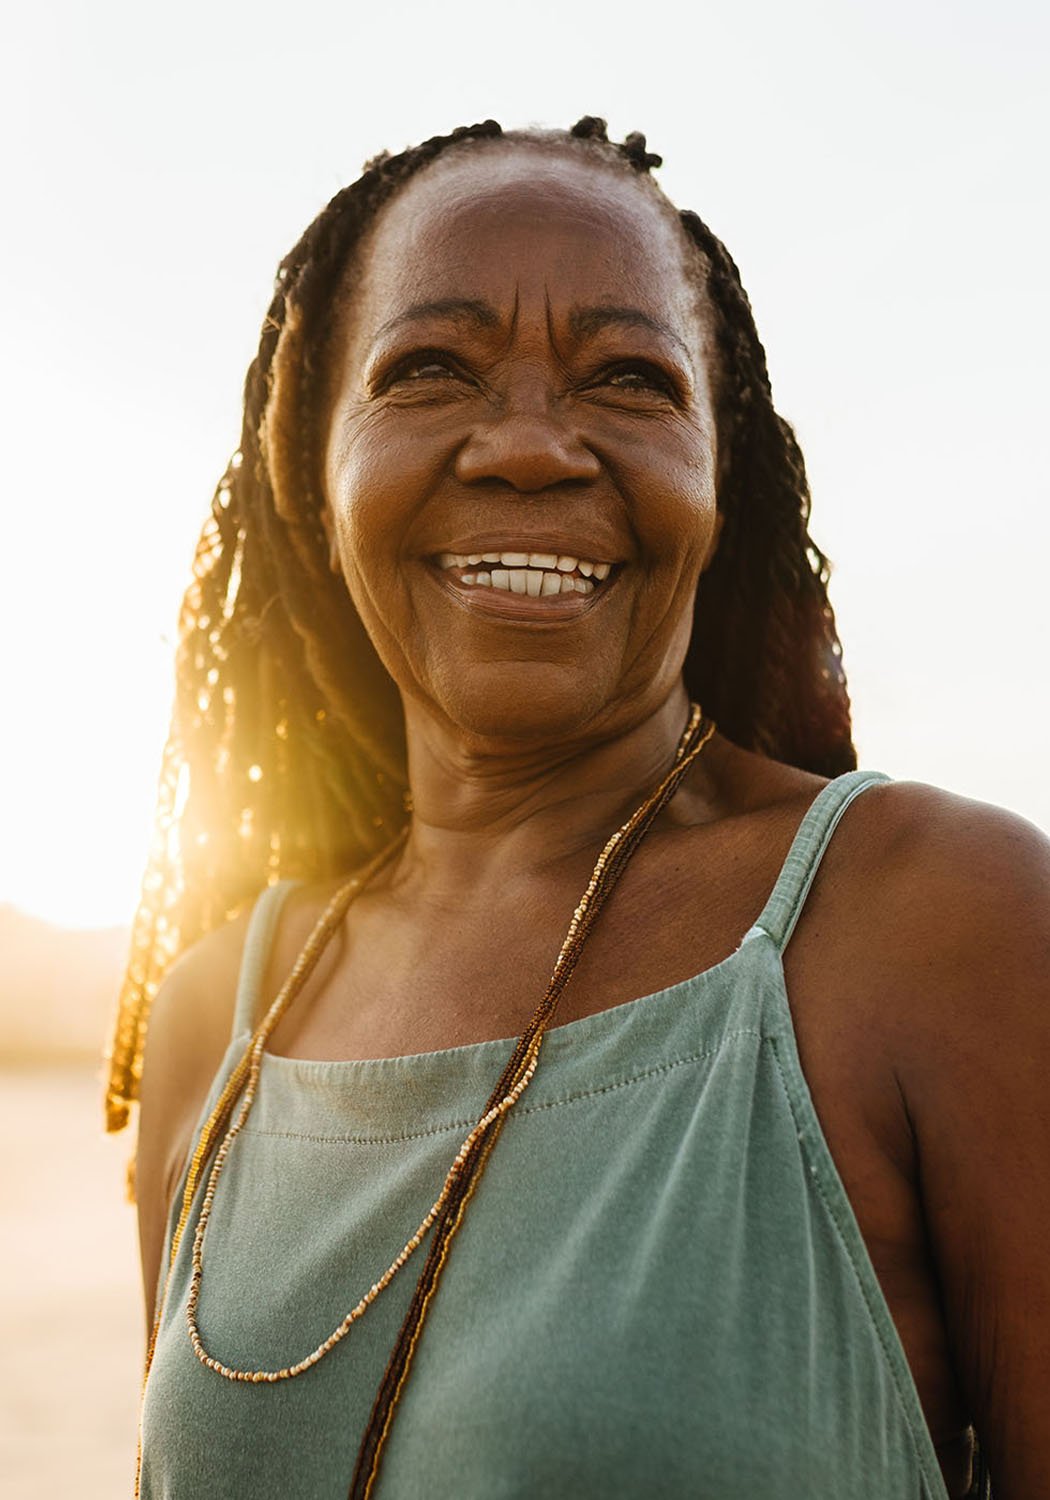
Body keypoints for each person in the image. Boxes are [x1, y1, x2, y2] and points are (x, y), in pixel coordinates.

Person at [105, 118, 1049, 1499]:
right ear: (309, 467)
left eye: (629, 378)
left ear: (721, 478)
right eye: (429, 368)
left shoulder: (939, 923)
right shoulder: (218, 1024)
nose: (533, 447)